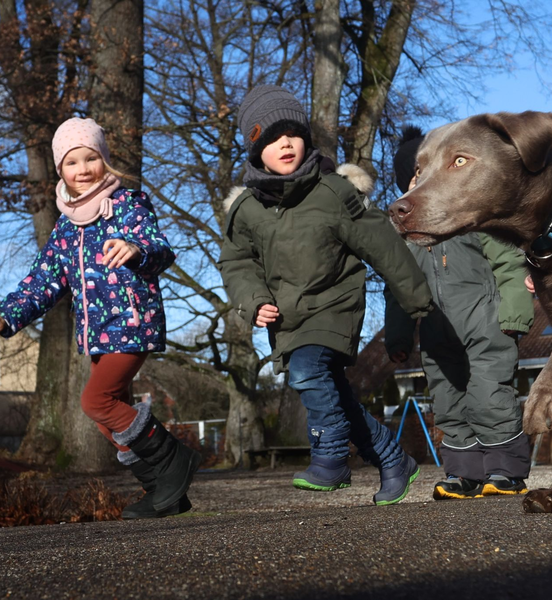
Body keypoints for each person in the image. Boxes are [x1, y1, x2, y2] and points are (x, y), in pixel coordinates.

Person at [218, 85, 434, 505]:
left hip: (335, 306)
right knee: (334, 396)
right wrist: (252, 300)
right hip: (287, 318)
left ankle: (331, 458)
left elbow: (382, 244)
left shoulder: (333, 192)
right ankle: (393, 459)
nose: (285, 143)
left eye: (294, 134)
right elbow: (237, 263)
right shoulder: (245, 210)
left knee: (307, 373)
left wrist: (415, 298)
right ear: (254, 148)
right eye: (271, 137)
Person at [0, 117, 199, 519]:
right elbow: (42, 282)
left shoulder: (127, 205)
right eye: (73, 163)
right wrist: (7, 317)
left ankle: (174, 458)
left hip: (132, 321)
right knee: (112, 417)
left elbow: (159, 247)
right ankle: (164, 491)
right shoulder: (65, 229)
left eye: (92, 158)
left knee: (96, 400)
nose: (84, 169)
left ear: (105, 161)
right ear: (61, 171)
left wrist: (135, 248)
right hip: (95, 335)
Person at [385, 126, 534, 500]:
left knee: (489, 395)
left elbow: (508, 259)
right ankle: (464, 473)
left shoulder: (471, 213)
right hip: (437, 334)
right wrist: (399, 338)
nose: (422, 182)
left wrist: (515, 309)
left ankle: (506, 470)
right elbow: (398, 290)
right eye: (414, 177)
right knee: (448, 401)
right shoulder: (404, 236)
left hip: (486, 322)